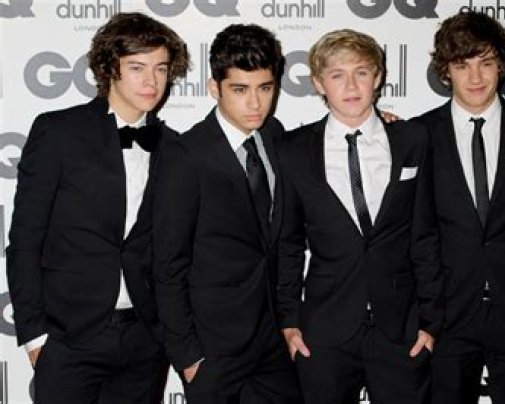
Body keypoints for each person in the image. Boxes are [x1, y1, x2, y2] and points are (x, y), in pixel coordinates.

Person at [6, 12, 189, 404]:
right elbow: (24, 240)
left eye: (160, 68)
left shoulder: (174, 147)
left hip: (144, 341)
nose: (151, 81)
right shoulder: (58, 132)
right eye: (137, 67)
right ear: (110, 69)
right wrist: (35, 337)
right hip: (68, 339)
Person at [276, 29, 442, 403]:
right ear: (318, 83)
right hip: (324, 329)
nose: (351, 86)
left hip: (401, 329)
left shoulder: (412, 139)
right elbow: (288, 245)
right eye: (337, 75)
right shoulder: (294, 150)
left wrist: (430, 322)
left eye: (361, 72)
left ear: (378, 77)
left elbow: (425, 236)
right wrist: (289, 322)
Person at [152, 23, 301, 404]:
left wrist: (288, 321)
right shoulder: (186, 155)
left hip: (272, 342)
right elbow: (168, 265)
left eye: (265, 88)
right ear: (214, 87)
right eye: (240, 89)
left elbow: (283, 241)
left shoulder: (275, 135)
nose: (255, 104)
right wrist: (188, 357)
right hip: (213, 350)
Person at [413, 10, 505, 404]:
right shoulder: (418, 134)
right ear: (445, 71)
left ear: (502, 66)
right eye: (462, 65)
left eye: (485, 63)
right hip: (448, 314)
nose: (475, 77)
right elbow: (416, 230)